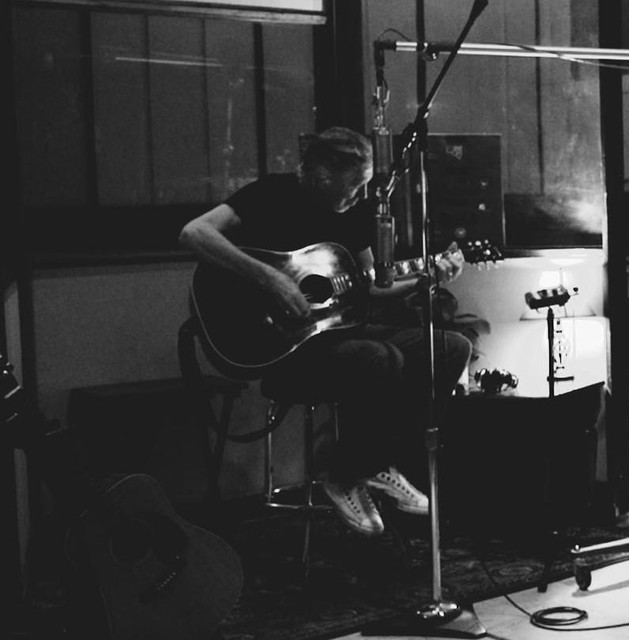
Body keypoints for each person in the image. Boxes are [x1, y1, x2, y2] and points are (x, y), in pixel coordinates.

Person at [179, 126, 472, 537]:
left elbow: (373, 286)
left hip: (339, 333)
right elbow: (194, 233)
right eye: (354, 185)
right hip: (283, 348)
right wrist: (270, 279)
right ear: (320, 175)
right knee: (378, 358)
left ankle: (371, 465)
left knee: (450, 347)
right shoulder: (270, 195)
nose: (360, 195)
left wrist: (427, 278)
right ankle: (345, 475)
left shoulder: (353, 214)